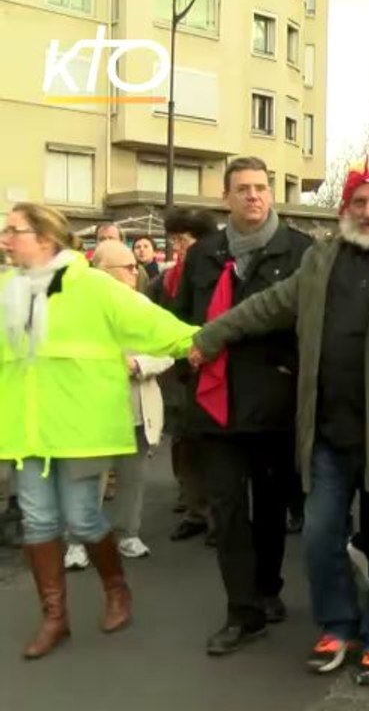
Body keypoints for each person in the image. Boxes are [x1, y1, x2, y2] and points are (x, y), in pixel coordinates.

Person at [190, 158, 369, 684]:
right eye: (359, 202)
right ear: (344, 209)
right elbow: (265, 307)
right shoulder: (321, 260)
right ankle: (338, 626)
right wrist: (208, 336)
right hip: (328, 432)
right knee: (321, 537)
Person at [1, 202, 196, 659]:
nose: (6, 239)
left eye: (15, 230)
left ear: (46, 238)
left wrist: (206, 340)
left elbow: (154, 325)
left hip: (80, 428)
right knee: (38, 522)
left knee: (83, 518)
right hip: (27, 433)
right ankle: (55, 618)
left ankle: (116, 588)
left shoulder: (92, 286)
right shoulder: (6, 289)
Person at [173, 156, 314, 656]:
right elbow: (184, 320)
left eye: (261, 187)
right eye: (243, 189)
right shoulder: (204, 254)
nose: (253, 196)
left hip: (275, 401)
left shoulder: (301, 251)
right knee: (229, 511)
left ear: (271, 194)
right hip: (215, 405)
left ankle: (269, 588)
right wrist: (186, 374)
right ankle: (242, 610)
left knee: (272, 507)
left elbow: (308, 326)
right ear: (226, 197)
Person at [89, 241, 174, 559]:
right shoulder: (79, 308)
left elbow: (165, 352)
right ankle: (80, 542)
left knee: (132, 478)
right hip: (92, 409)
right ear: (102, 272)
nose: (134, 271)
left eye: (134, 266)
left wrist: (138, 365)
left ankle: (128, 534)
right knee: (89, 480)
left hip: (137, 407)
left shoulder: (142, 305)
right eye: (126, 267)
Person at [151, 208, 219, 545]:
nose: (178, 246)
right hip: (179, 369)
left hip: (212, 365)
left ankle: (217, 517)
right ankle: (194, 508)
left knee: (212, 446)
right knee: (184, 442)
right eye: (174, 239)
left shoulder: (218, 269)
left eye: (184, 239)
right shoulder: (167, 277)